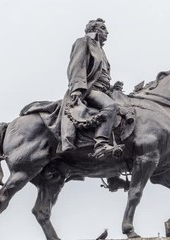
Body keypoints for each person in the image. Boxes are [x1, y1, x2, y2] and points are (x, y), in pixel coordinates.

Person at [65, 18, 120, 159]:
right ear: (93, 30)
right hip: (89, 89)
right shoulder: (83, 42)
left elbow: (100, 74)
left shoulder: (101, 49)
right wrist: (77, 88)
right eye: (103, 28)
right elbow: (76, 66)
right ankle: (100, 145)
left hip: (103, 89)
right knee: (111, 106)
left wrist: (113, 87)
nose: (107, 32)